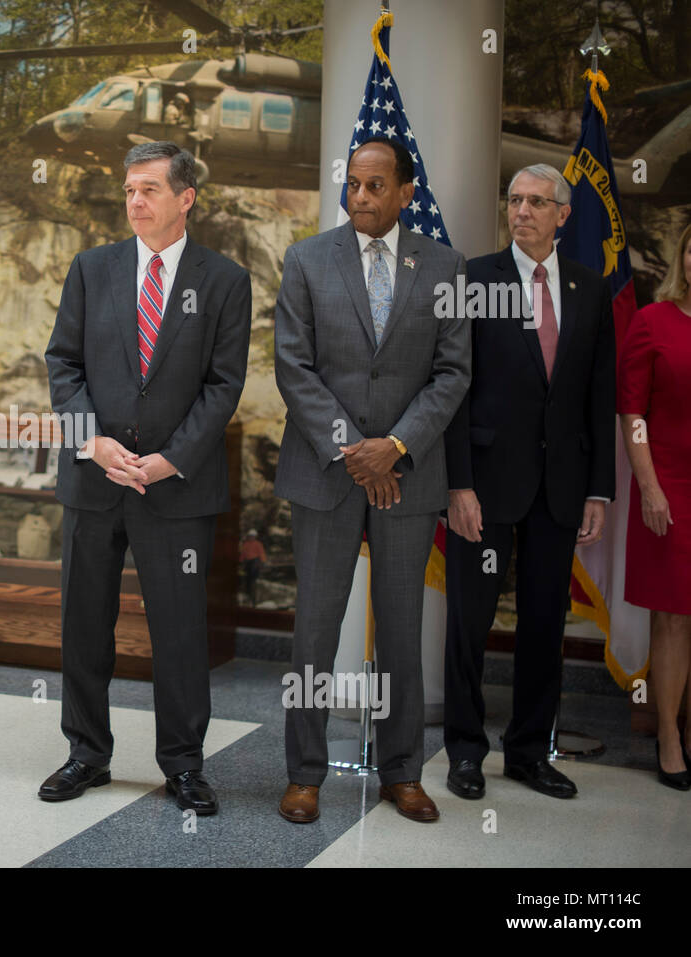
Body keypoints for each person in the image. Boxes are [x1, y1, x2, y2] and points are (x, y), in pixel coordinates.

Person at [42, 141, 251, 815]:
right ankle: (86, 753)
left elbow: (223, 385)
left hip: (176, 486)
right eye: (130, 189)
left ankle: (184, 766)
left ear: (185, 198)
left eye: (150, 189)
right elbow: (62, 365)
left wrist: (170, 459)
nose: (135, 200)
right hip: (96, 482)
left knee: (182, 633)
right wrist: (92, 443)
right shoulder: (91, 269)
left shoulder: (224, 281)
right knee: (84, 623)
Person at [273, 136, 470, 824]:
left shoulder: (444, 265)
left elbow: (453, 372)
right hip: (326, 475)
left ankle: (402, 772)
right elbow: (293, 366)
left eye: (376, 185)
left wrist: (395, 446)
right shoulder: (306, 259)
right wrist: (353, 450)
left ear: (406, 192)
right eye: (353, 184)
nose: (360, 196)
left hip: (406, 479)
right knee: (314, 635)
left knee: (401, 632)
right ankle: (303, 773)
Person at [443, 163, 615, 801]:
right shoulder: (473, 278)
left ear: (562, 215)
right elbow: (454, 388)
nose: (522, 211)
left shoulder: (590, 289)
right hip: (485, 486)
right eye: (514, 200)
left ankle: (527, 753)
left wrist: (599, 488)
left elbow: (601, 397)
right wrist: (458, 484)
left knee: (546, 624)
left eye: (537, 202)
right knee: (470, 622)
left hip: (561, 487)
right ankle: (464, 752)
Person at [618, 220, 691, 790]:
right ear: (681, 260)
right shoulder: (653, 322)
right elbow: (632, 414)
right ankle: (669, 738)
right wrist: (649, 486)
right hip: (669, 490)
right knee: (673, 618)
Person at [240, 529, 266, 603]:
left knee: (253, 578)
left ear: (255, 537)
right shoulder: (245, 544)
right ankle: (248, 592)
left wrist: (263, 561)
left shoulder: (258, 544)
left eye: (253, 536)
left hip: (255, 562)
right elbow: (243, 554)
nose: (251, 538)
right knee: (247, 578)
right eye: (250, 536)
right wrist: (241, 561)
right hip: (248, 562)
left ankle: (253, 594)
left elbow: (261, 553)